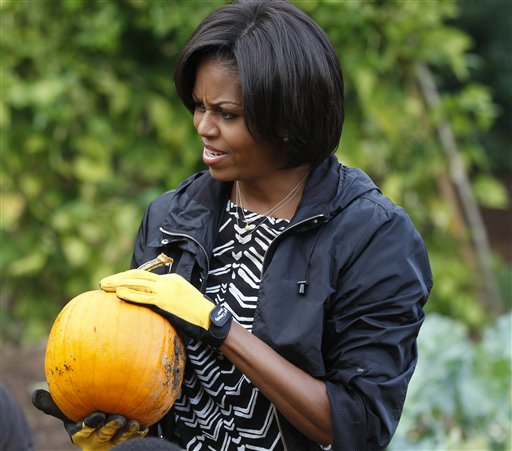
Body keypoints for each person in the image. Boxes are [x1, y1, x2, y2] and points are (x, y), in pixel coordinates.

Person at [33, 1, 433, 450]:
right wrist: (111, 421)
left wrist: (219, 326)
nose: (204, 127)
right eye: (199, 106)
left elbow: (358, 426)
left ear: (288, 118)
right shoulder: (173, 217)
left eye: (227, 113)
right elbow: (145, 371)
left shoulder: (373, 238)